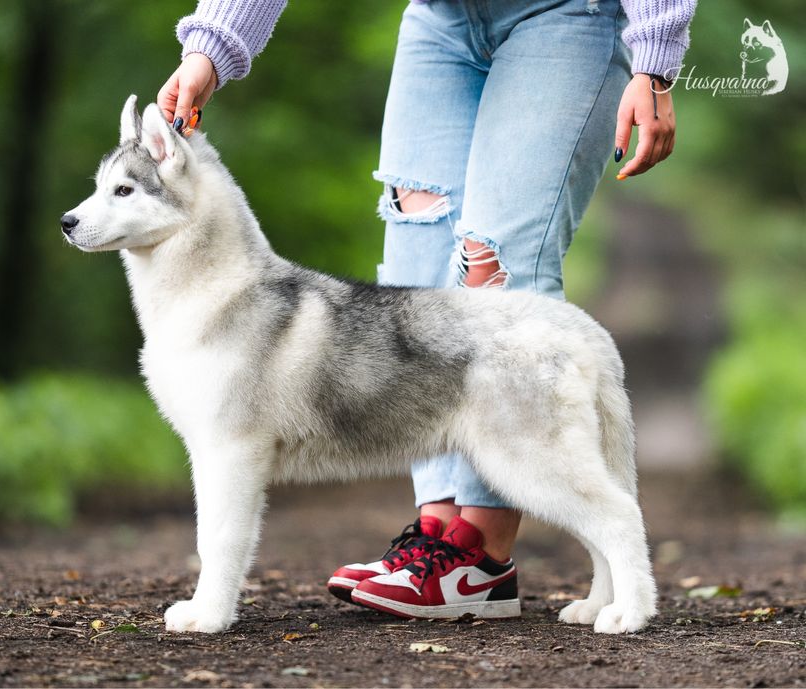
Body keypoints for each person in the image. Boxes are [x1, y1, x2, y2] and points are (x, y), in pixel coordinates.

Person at [157, 0, 696, 619]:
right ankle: (436, 540)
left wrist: (654, 57)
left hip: (564, 15)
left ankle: (481, 557)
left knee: (493, 264)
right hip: (438, 22)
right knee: (412, 279)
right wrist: (211, 47)